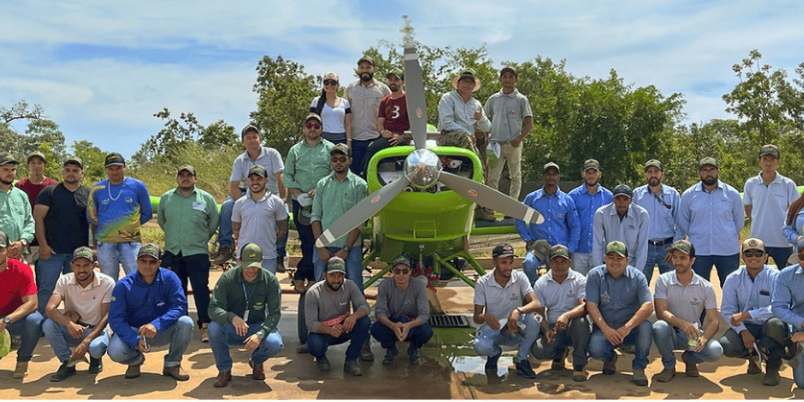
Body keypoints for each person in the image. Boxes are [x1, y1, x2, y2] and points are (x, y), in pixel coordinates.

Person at [107, 243, 194, 381]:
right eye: (143, 261)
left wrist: (156, 325)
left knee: (186, 323)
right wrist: (134, 340)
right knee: (115, 351)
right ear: (137, 261)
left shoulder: (170, 278)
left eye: (152, 262)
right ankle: (134, 361)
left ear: (159, 262)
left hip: (162, 331)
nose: (147, 266)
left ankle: (172, 364)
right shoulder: (123, 285)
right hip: (135, 332)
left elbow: (180, 306)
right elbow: (115, 319)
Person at [207, 243, 283, 387]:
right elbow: (213, 308)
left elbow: (274, 314)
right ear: (239, 260)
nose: (250, 270)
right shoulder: (227, 279)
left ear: (262, 260)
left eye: (254, 265)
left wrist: (260, 334)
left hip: (256, 326)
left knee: (275, 343)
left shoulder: (270, 280)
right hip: (232, 327)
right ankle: (224, 369)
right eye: (247, 265)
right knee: (214, 328)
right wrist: (232, 317)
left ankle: (257, 361)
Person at [158, 164, 219, 342]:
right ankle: (180, 326)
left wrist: (199, 239)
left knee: (200, 289)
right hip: (173, 251)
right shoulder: (167, 198)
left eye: (189, 175)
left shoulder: (206, 199)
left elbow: (213, 222)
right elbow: (162, 221)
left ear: (195, 178)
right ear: (177, 178)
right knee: (177, 291)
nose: (185, 178)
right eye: (182, 175)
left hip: (197, 251)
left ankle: (205, 325)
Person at [214, 125, 286, 270]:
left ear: (260, 139)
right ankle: (225, 247)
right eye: (248, 138)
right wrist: (245, 202)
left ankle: (278, 254)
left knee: (283, 211)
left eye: (255, 137)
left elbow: (281, 177)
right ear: (243, 142)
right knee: (228, 206)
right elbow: (234, 186)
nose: (252, 140)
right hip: (249, 192)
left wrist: (283, 199)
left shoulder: (272, 154)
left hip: (272, 194)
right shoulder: (239, 161)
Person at [652, 240, 723, 382]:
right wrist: (682, 323)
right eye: (675, 257)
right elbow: (661, 312)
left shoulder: (706, 287)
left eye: (683, 258)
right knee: (659, 327)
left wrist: (704, 338)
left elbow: (714, 320)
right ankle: (669, 365)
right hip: (670, 333)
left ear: (692, 260)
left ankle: (690, 359)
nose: (678, 262)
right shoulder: (663, 281)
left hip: (693, 335)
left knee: (716, 351)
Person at [586, 241, 653, 387]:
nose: (615, 262)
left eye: (619, 258)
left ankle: (639, 367)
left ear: (627, 260)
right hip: (605, 329)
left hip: (630, 330)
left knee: (646, 327)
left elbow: (648, 306)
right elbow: (591, 306)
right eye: (611, 257)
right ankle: (610, 358)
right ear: (604, 258)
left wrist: (627, 328)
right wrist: (606, 329)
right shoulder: (595, 275)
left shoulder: (638, 277)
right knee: (595, 349)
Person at [720, 238, 786, 386]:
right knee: (727, 345)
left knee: (777, 325)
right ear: (742, 257)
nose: (753, 257)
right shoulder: (732, 279)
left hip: (769, 324)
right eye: (748, 253)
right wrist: (743, 331)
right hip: (746, 326)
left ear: (765, 257)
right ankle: (754, 356)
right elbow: (727, 310)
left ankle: (772, 367)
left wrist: (748, 314)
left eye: (758, 253)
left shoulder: (776, 277)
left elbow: (779, 307)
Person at [43, 246, 114, 381]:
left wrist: (86, 341)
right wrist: (69, 324)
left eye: (86, 265)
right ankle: (67, 362)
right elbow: (49, 308)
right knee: (48, 325)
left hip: (96, 329)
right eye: (78, 265)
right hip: (75, 328)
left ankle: (95, 358)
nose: (81, 270)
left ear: (94, 265)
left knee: (96, 348)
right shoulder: (64, 280)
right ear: (72, 265)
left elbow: (106, 317)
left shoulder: (107, 283)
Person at [472, 243, 542, 379]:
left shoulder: (520, 277)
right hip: (495, 326)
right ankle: (493, 354)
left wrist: (518, 311)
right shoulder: (482, 283)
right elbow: (477, 317)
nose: (508, 267)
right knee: (479, 345)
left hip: (517, 325)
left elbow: (536, 303)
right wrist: (486, 317)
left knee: (534, 318)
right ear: (494, 262)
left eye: (511, 262)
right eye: (504, 262)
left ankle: (522, 359)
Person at [33, 156, 90, 314]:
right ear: (63, 172)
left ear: (82, 173)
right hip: (52, 252)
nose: (71, 173)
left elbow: (94, 224)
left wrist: (93, 248)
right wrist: (43, 245)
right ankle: (41, 324)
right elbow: (38, 218)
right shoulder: (49, 192)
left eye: (75, 170)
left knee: (76, 290)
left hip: (78, 255)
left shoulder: (88, 194)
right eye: (68, 170)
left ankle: (74, 323)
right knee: (47, 288)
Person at [283, 113, 334, 288]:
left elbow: (334, 172)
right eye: (309, 125)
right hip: (301, 201)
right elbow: (287, 175)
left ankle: (302, 273)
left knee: (319, 238)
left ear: (321, 128)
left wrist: (319, 188)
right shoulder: (295, 150)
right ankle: (311, 276)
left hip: (323, 200)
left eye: (316, 126)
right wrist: (298, 193)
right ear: (305, 128)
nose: (313, 128)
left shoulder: (330, 148)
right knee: (306, 239)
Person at [87, 152, 152, 281]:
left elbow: (147, 213)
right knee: (108, 282)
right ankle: (113, 302)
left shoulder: (138, 186)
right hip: (105, 244)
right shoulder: (97, 188)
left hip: (130, 243)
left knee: (137, 279)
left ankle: (135, 301)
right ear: (106, 169)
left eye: (118, 168)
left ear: (124, 167)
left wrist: (129, 225)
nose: (114, 172)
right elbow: (91, 216)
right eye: (111, 168)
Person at [679, 157, 744, 284]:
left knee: (731, 288)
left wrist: (727, 235)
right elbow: (684, 221)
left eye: (712, 169)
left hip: (727, 250)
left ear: (718, 171)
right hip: (699, 250)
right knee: (699, 289)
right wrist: (697, 235)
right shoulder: (689, 195)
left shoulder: (732, 194)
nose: (709, 173)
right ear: (699, 173)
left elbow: (739, 221)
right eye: (705, 170)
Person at [311, 144, 368, 287]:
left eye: (342, 159)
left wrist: (346, 249)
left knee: (355, 287)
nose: (338, 163)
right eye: (335, 159)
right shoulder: (322, 184)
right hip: (324, 246)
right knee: (320, 287)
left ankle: (357, 311)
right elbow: (315, 216)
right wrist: (320, 247)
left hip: (350, 248)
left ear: (350, 160)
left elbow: (359, 221)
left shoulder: (360, 185)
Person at [304, 256, 372, 376]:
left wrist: (354, 316)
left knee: (364, 322)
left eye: (340, 275)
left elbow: (365, 306)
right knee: (315, 344)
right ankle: (321, 358)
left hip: (344, 328)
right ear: (324, 276)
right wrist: (330, 330)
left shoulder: (350, 285)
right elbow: (310, 324)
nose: (336, 279)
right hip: (323, 331)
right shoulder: (313, 293)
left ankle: (351, 359)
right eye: (332, 275)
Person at [531, 245, 590, 382]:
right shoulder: (541, 284)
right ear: (549, 263)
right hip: (553, 327)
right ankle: (560, 352)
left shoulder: (579, 279)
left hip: (573, 326)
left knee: (581, 322)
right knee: (539, 350)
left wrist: (567, 316)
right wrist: (546, 330)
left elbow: (584, 306)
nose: (559, 265)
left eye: (563, 261)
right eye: (555, 262)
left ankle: (579, 365)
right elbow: (539, 313)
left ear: (569, 262)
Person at [516, 162, 580, 285]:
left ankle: (554, 298)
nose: (551, 177)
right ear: (543, 176)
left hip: (559, 248)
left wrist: (570, 248)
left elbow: (575, 226)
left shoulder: (566, 200)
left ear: (559, 177)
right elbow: (520, 217)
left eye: (554, 174)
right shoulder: (532, 199)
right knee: (528, 263)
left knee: (557, 274)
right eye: (548, 174)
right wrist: (527, 238)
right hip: (538, 246)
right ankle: (535, 291)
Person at [484, 66, 533, 207]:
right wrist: (487, 139)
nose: (507, 79)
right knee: (492, 177)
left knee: (515, 176)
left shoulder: (521, 99)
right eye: (504, 76)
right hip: (495, 145)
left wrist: (518, 139)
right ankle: (490, 207)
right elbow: (483, 119)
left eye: (510, 76)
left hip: (513, 144)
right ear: (500, 79)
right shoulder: (493, 99)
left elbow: (529, 124)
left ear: (516, 80)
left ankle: (512, 206)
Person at [370, 254, 432, 366]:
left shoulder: (418, 286)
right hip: (393, 321)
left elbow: (424, 314)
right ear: (392, 272)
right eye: (397, 271)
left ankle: (414, 348)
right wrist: (392, 325)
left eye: (405, 271)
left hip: (412, 322)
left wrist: (409, 325)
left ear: (410, 271)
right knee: (375, 329)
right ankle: (391, 348)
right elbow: (379, 312)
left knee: (426, 332)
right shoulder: (384, 285)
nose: (401, 275)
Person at [744, 144, 799, 267]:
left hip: (783, 241)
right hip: (758, 241)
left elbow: (795, 210)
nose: (768, 163)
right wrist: (760, 221)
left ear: (778, 162)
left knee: (787, 277)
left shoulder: (788, 184)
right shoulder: (751, 184)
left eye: (772, 159)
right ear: (759, 161)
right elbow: (748, 208)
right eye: (765, 159)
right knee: (758, 278)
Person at [0, 230, 44, 379]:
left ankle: (23, 360)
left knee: (35, 320)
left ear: (8, 250)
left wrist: (6, 320)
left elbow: (32, 303)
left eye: (0, 249)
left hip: (13, 320)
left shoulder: (21, 269)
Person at [632, 159, 682, 284]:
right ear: (645, 175)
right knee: (640, 284)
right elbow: (631, 223)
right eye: (649, 172)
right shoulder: (637, 195)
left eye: (656, 171)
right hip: (644, 247)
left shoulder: (673, 194)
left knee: (671, 285)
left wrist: (674, 248)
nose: (653, 174)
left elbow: (681, 223)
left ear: (662, 174)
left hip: (667, 248)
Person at [232, 165, 288, 273]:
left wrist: (271, 242)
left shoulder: (277, 202)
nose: (255, 182)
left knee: (268, 288)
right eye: (251, 179)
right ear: (247, 181)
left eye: (259, 179)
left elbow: (282, 228)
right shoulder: (239, 203)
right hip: (244, 257)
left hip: (268, 256)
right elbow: (235, 227)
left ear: (267, 180)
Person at [345, 56, 391, 174]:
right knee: (354, 173)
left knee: (374, 172)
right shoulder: (351, 89)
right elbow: (345, 115)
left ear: (374, 69)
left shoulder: (383, 89)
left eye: (368, 67)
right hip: (356, 139)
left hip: (376, 138)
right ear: (358, 70)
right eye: (362, 67)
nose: (365, 70)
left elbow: (391, 111)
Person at [360, 69, 409, 179]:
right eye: (390, 79)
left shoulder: (409, 99)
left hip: (404, 137)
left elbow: (415, 122)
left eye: (396, 79)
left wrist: (403, 137)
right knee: (372, 147)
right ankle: (366, 178)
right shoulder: (384, 101)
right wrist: (382, 132)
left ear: (403, 82)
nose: (393, 82)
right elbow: (379, 122)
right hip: (388, 137)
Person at [592, 184, 649, 277]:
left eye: (625, 199)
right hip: (609, 264)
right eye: (618, 199)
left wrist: (637, 273)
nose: (621, 203)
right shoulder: (601, 214)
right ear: (613, 199)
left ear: (631, 200)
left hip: (631, 264)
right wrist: (600, 271)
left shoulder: (642, 215)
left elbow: (642, 247)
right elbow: (597, 245)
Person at [769, 240, 804, 389]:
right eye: (802, 256)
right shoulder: (786, 275)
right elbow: (778, 307)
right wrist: (802, 323)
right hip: (799, 328)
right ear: (797, 257)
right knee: (802, 383)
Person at [568, 159, 613, 275]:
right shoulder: (572, 196)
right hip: (578, 251)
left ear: (600, 174)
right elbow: (567, 222)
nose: (591, 175)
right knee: (577, 286)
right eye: (588, 172)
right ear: (583, 174)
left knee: (599, 287)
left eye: (594, 172)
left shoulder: (609, 197)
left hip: (599, 251)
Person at [14, 151, 58, 266]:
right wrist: (24, 240)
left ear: (45, 166)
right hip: (26, 236)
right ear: (28, 166)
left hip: (47, 237)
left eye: (40, 162)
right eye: (33, 162)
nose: (36, 166)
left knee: (45, 277)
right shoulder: (20, 186)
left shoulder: (53, 185)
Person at [437, 69, 491, 156]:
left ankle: (479, 167)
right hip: (447, 137)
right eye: (465, 81)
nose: (467, 84)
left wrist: (481, 118)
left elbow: (487, 128)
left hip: (469, 141)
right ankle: (476, 163)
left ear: (473, 86)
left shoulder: (476, 104)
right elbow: (447, 123)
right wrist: (468, 134)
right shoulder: (448, 98)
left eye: (470, 82)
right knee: (464, 138)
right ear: (458, 84)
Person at [0, 152, 34, 263]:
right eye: (6, 170)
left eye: (13, 170)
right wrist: (4, 249)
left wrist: (22, 242)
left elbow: (29, 222)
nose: (10, 173)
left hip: (18, 255)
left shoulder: (21, 195)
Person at [311, 72, 352, 145]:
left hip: (341, 138)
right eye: (326, 82)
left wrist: (349, 141)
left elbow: (348, 124)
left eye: (333, 83)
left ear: (338, 85)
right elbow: (312, 122)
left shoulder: (344, 103)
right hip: (322, 138)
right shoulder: (316, 101)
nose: (329, 85)